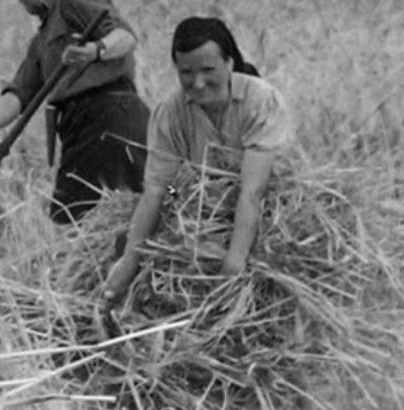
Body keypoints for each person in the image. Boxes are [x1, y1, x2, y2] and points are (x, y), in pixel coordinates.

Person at [102, 17, 293, 306]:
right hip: (196, 202)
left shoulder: (260, 101)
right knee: (159, 208)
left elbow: (253, 191)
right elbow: (157, 188)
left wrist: (234, 261)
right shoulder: (170, 113)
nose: (198, 82)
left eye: (208, 70)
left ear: (229, 63)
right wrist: (130, 260)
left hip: (264, 204)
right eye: (186, 72)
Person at [0, 0, 149, 224]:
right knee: (83, 214)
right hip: (80, 130)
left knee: (143, 193)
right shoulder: (40, 42)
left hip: (111, 117)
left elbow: (125, 37)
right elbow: (17, 97)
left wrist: (96, 50)